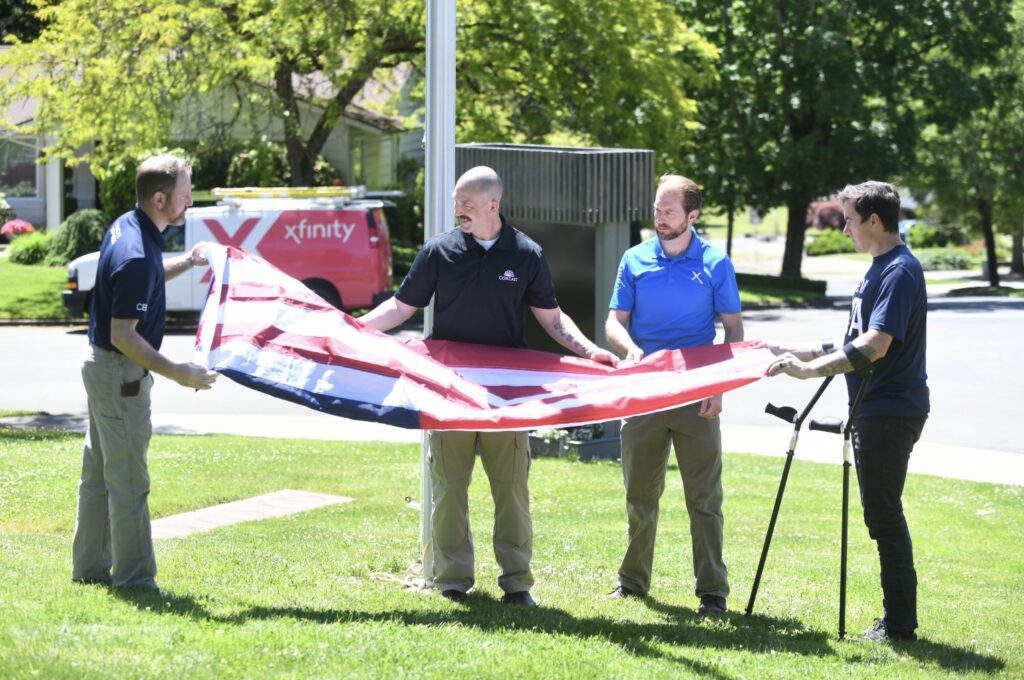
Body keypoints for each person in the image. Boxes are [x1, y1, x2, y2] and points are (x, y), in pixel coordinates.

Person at [360, 166, 617, 607]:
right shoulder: (439, 251)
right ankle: (453, 581)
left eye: (466, 201)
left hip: (505, 398)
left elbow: (552, 319)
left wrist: (590, 351)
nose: (457, 208)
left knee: (512, 492)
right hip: (450, 393)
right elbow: (401, 308)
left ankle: (517, 585)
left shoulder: (526, 254)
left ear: (492, 205)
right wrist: (354, 330)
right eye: (456, 201)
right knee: (448, 489)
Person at [766, 181, 928, 642]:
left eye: (851, 219)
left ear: (874, 221)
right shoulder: (879, 268)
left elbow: (875, 347)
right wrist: (787, 348)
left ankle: (899, 626)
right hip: (876, 409)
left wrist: (809, 371)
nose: (844, 227)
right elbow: (852, 339)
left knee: (883, 515)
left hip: (890, 409)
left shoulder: (899, 271)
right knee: (881, 514)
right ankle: (898, 621)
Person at [72, 154, 218, 590]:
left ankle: (90, 569)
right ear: (160, 198)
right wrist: (178, 372)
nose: (190, 202)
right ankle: (135, 580)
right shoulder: (136, 251)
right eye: (185, 195)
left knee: (100, 476)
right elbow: (123, 334)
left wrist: (188, 262)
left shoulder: (131, 226)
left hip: (103, 371)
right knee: (130, 482)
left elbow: (148, 276)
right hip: (119, 374)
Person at [604, 174, 743, 614]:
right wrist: (629, 351)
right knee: (639, 494)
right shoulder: (635, 258)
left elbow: (733, 331)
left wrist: (720, 386)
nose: (659, 218)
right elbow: (614, 322)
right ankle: (632, 583)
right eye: (657, 209)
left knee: (704, 499)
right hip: (645, 391)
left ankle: (713, 593)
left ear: (692, 215)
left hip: (697, 394)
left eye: (668, 211)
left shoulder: (716, 262)